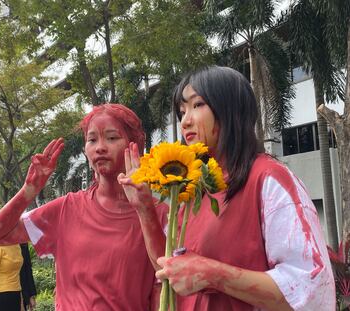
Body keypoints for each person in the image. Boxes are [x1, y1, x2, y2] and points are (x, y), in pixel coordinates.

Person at [119, 66, 335, 310]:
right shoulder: (195, 188)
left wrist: (213, 273)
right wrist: (144, 207)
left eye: (197, 105)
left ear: (230, 109)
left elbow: (312, 287)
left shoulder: (269, 178)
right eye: (182, 111)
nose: (186, 121)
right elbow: (169, 271)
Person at [0, 103, 166, 310]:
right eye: (92, 139)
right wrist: (29, 190)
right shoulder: (65, 209)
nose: (100, 147)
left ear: (136, 146)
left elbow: (167, 282)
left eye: (112, 138)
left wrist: (144, 210)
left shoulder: (158, 215)